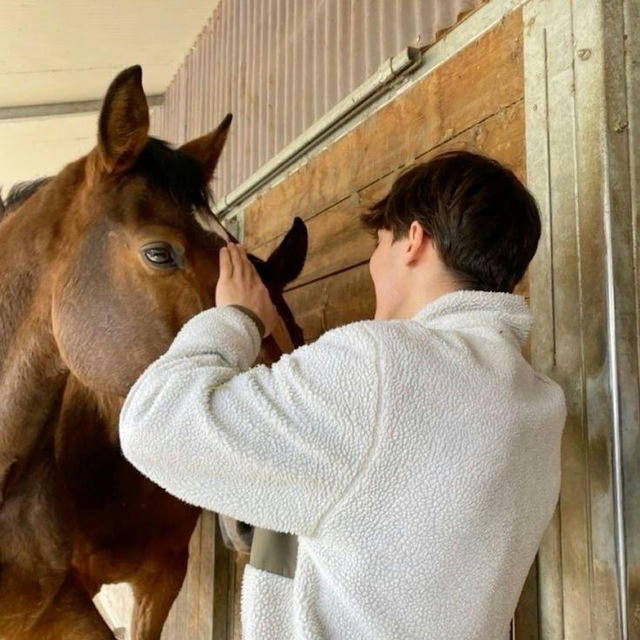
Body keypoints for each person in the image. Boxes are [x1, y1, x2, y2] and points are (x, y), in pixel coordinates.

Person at [120, 150, 567, 640]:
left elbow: (153, 423)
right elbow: (365, 521)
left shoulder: (383, 366)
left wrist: (239, 319)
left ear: (413, 241)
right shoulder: (537, 404)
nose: (376, 264)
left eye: (378, 246)